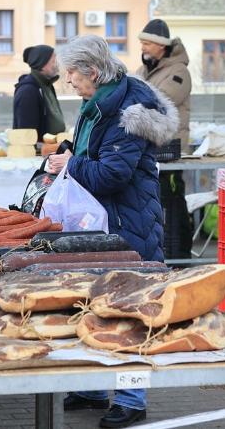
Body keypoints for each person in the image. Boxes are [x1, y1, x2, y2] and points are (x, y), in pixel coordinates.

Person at [47, 34, 178, 428]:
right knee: (93, 302)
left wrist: (68, 165)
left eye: (71, 74)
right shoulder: (98, 100)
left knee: (130, 310)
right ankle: (91, 387)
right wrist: (66, 150)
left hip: (129, 222)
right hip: (104, 221)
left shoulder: (130, 110)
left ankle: (131, 398)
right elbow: (88, 147)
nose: (68, 82)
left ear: (91, 71)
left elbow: (112, 174)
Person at [135, 18, 193, 259]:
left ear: (162, 46)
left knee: (172, 199)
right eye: (142, 42)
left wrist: (135, 98)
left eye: (148, 43)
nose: (143, 47)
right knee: (153, 200)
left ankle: (179, 252)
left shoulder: (178, 71)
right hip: (149, 147)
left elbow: (161, 100)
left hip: (170, 148)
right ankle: (159, 250)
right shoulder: (143, 70)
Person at [13, 44, 66, 141]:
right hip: (38, 153)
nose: (57, 65)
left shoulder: (47, 86)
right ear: (42, 64)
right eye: (53, 61)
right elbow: (27, 132)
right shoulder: (28, 91)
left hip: (51, 148)